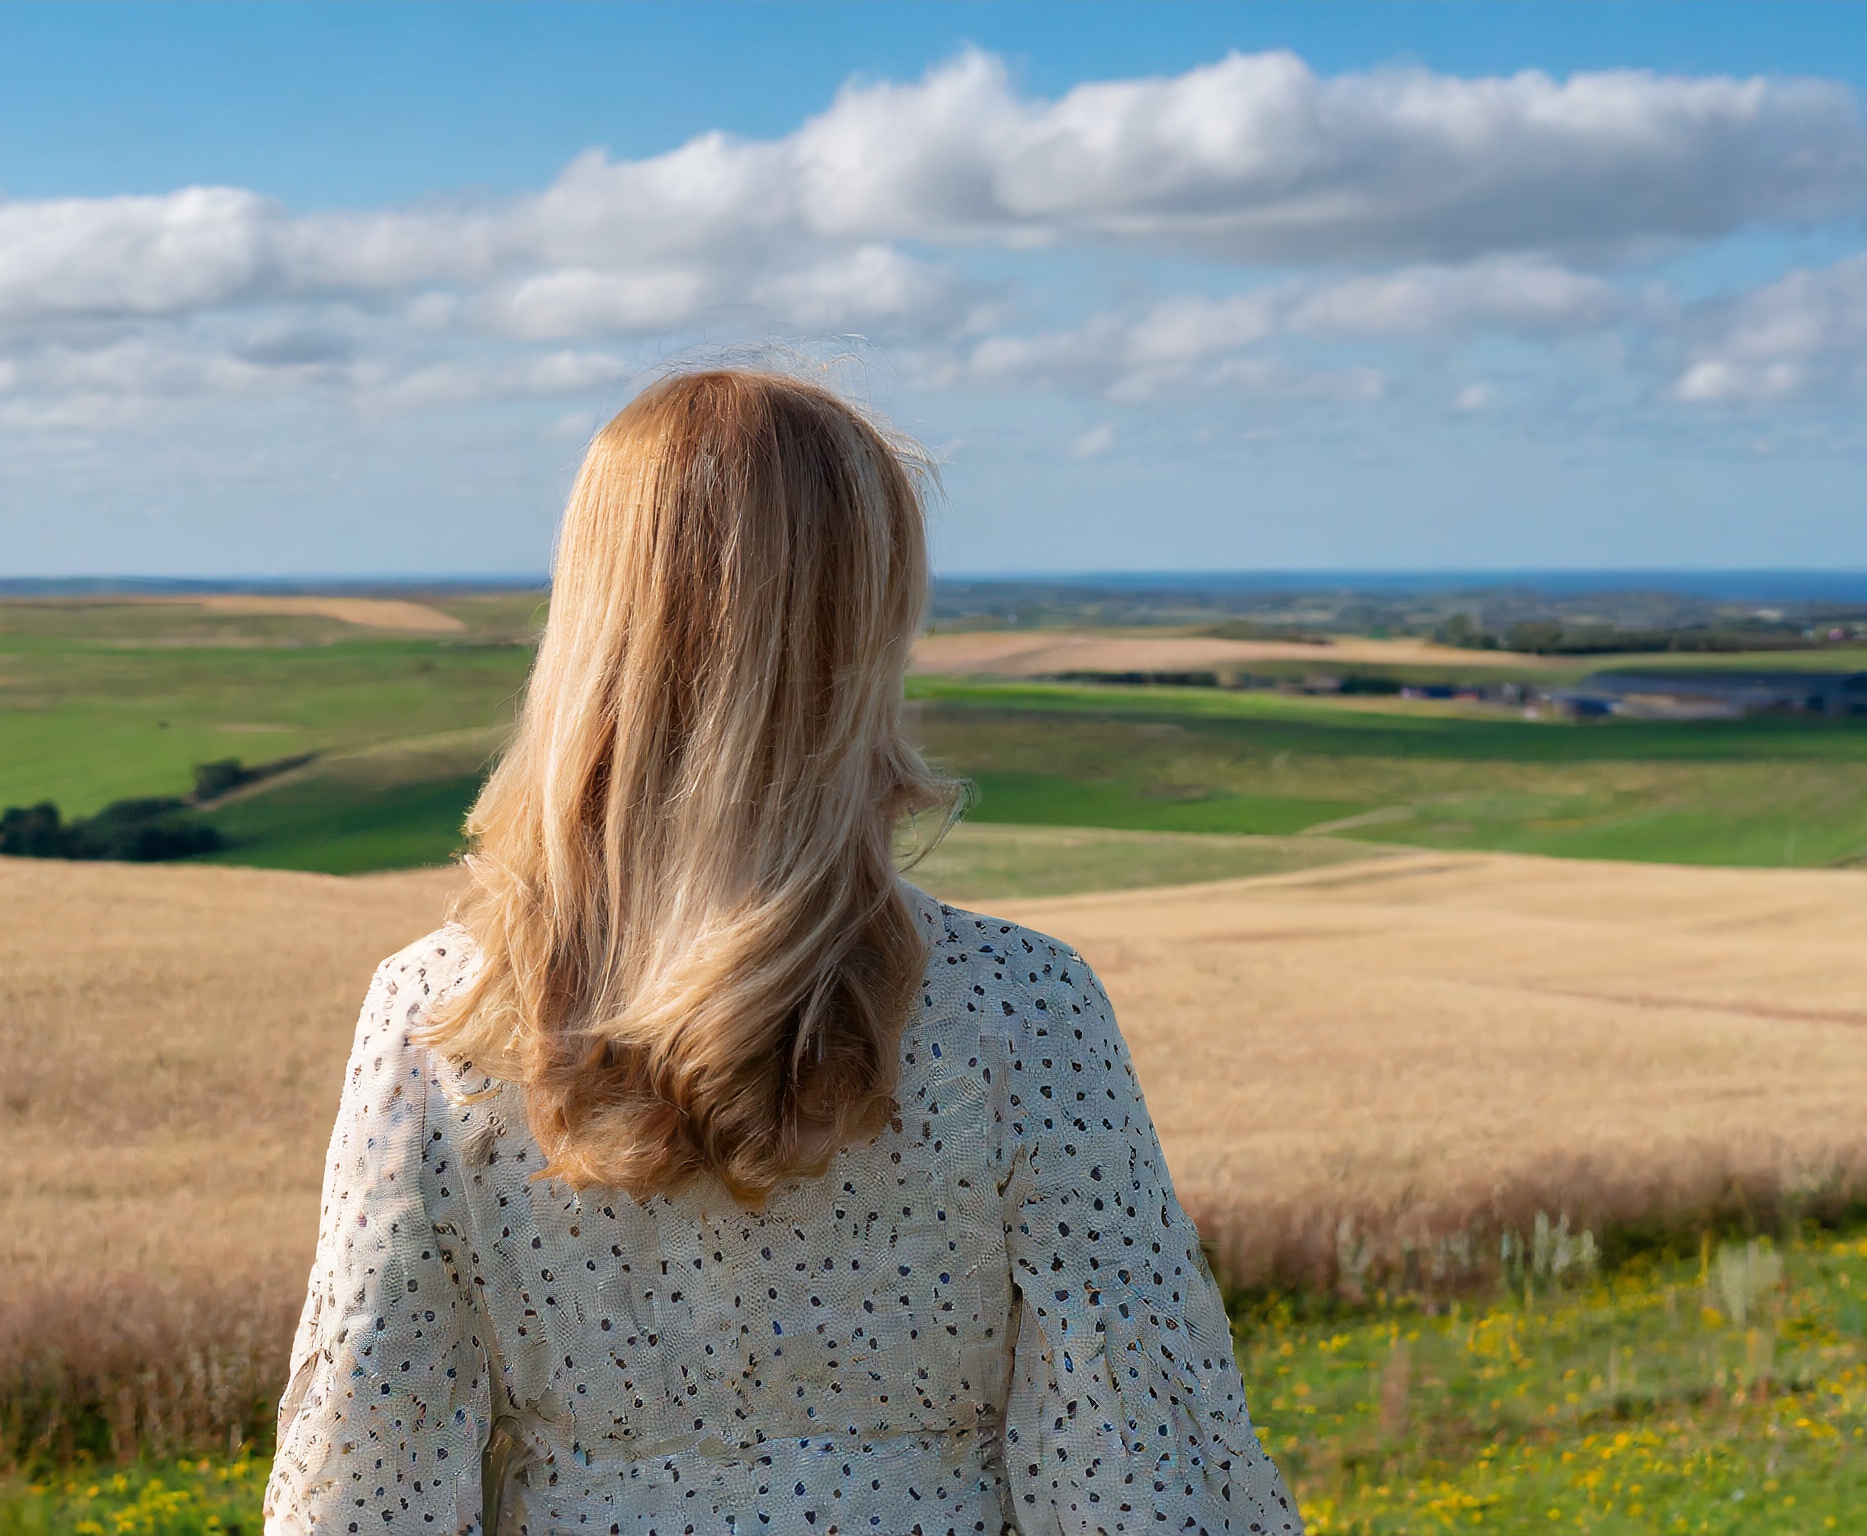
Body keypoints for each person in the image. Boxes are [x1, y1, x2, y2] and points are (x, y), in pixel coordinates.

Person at [264, 371, 1297, 1536]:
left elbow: (366, 1463)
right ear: (864, 629)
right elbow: (1146, 1473)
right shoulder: (1022, 1006)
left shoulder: (442, 1013)